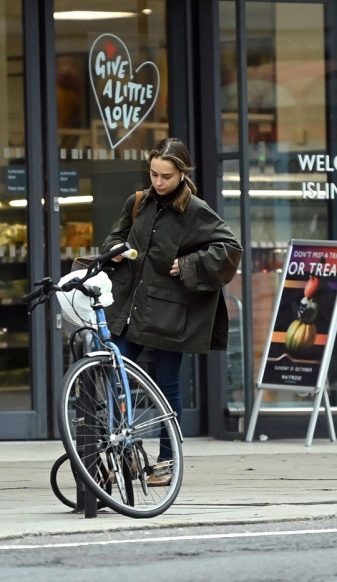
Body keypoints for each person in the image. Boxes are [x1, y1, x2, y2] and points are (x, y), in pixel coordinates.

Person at [101, 137, 243, 485]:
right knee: (111, 374)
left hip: (169, 311)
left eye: (166, 175)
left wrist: (190, 264)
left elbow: (230, 248)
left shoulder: (195, 209)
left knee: (166, 386)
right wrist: (115, 249)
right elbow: (111, 239)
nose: (158, 182)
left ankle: (166, 461)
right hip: (130, 307)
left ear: (182, 173)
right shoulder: (137, 202)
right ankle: (125, 452)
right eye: (153, 174)